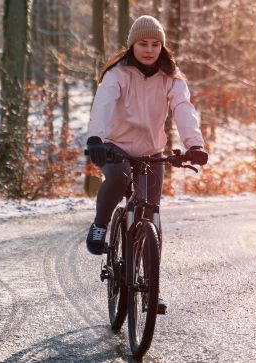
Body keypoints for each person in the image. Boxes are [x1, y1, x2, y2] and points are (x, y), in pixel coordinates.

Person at [85, 15, 208, 311]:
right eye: (143, 43)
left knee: (152, 217)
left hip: (152, 152)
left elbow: (183, 109)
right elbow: (102, 106)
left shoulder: (172, 78)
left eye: (155, 44)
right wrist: (96, 140)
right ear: (132, 44)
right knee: (118, 179)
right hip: (115, 148)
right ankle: (101, 225)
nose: (149, 49)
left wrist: (194, 144)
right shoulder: (117, 74)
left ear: (162, 46)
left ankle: (152, 289)